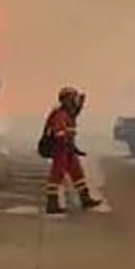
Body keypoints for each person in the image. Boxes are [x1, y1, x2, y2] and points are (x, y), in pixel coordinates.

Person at [44, 86, 102, 216]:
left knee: (78, 174)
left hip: (68, 149)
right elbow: (59, 134)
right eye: (73, 99)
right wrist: (66, 142)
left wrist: (81, 104)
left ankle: (85, 199)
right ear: (67, 100)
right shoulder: (60, 115)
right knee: (56, 175)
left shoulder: (67, 113)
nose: (75, 102)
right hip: (61, 149)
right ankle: (52, 204)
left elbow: (75, 113)